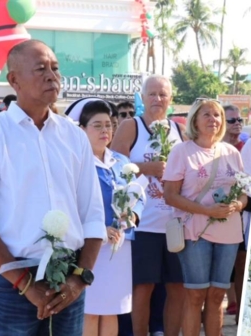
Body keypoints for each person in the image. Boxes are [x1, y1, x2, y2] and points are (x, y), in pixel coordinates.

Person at [0, 40, 107, 335]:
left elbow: (92, 215)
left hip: (69, 279)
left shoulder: (74, 137)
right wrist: (25, 284)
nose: (51, 76)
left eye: (55, 68)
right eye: (40, 69)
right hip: (11, 283)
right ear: (14, 79)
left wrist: (79, 279)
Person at [163, 98, 246, 336]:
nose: (213, 119)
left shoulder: (231, 152)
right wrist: (208, 211)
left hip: (229, 233)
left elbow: (244, 194)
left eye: (217, 115)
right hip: (194, 232)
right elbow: (170, 195)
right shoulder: (182, 151)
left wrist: (236, 205)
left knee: (218, 295)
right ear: (195, 121)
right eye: (207, 115)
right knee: (195, 294)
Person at [110, 74, 185, 336]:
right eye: (152, 94)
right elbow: (115, 168)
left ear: (171, 99)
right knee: (143, 288)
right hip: (143, 224)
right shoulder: (132, 126)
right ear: (142, 98)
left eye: (163, 94)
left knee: (177, 288)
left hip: (175, 225)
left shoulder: (179, 130)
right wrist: (146, 167)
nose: (157, 99)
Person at [66, 98, 145, 336]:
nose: (105, 131)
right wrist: (100, 229)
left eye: (109, 125)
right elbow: (71, 205)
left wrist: (133, 216)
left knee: (112, 309)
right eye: (97, 125)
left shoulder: (121, 161)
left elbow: (138, 195)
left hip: (119, 247)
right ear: (82, 129)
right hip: (90, 248)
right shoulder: (76, 162)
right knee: (90, 309)